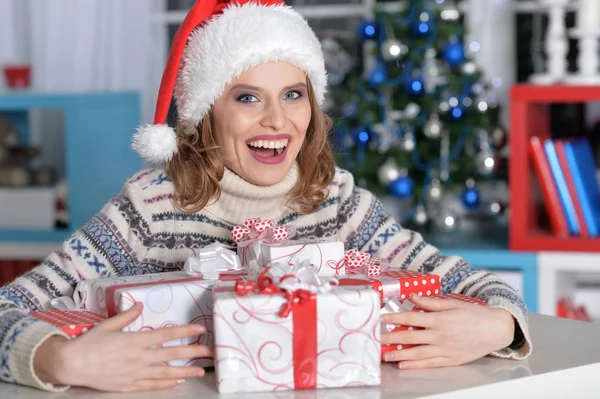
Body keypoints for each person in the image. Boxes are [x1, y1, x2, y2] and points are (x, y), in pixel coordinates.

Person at [0, 0, 531, 393]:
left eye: (293, 95)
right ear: (207, 113)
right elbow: (9, 308)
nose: (277, 121)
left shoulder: (337, 201)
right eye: (248, 97)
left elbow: (473, 284)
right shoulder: (152, 208)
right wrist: (57, 362)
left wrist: (498, 325)